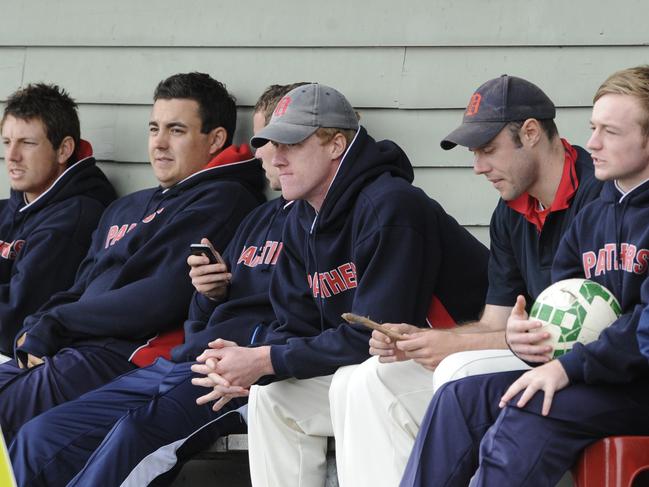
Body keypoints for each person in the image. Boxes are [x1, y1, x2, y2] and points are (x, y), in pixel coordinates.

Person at [190, 83, 490, 487]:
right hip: (393, 374)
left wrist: (264, 360)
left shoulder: (391, 205)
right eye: (271, 144)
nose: (275, 159)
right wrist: (248, 366)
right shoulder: (301, 218)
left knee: (363, 382)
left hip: (462, 366)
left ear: (335, 144)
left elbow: (377, 335)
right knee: (273, 398)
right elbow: (294, 329)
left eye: (290, 144)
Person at [9, 83, 306, 487]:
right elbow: (201, 307)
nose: (160, 144)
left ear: (216, 139)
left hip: (136, 355)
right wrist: (40, 324)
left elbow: (162, 299)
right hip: (173, 360)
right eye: (154, 129)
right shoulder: (134, 207)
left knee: (118, 433)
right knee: (38, 437)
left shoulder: (228, 201)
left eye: (177, 130)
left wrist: (54, 325)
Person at [327, 74, 604, 487]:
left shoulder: (600, 193)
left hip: (582, 366)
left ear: (530, 133)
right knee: (361, 379)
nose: (478, 167)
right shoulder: (510, 210)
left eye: (488, 150)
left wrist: (452, 343)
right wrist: (422, 339)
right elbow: (496, 323)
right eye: (475, 153)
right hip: (528, 356)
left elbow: (577, 333)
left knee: (457, 368)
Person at [401, 65, 649, 487]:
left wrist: (569, 368)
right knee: (459, 399)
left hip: (637, 381)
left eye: (611, 132)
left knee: (530, 403)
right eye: (593, 127)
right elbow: (562, 300)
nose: (592, 143)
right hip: (601, 375)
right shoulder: (595, 215)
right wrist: (527, 335)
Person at [0, 83, 116, 358]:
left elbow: (17, 314)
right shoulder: (12, 207)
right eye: (6, 142)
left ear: (64, 150)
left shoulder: (75, 218)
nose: (12, 156)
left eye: (27, 143)